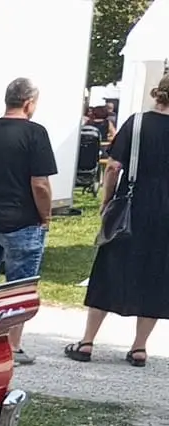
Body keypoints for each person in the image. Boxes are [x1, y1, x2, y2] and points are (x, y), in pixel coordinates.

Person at [68, 72, 169, 368]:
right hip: (165, 211)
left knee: (109, 267)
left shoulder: (136, 123)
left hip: (131, 204)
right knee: (157, 272)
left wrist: (107, 201)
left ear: (157, 93)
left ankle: (87, 342)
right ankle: (139, 348)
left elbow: (113, 166)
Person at [0, 77, 56, 360]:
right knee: (19, 288)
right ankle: (11, 347)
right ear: (29, 103)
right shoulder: (35, 133)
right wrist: (45, 216)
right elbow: (40, 184)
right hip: (22, 222)